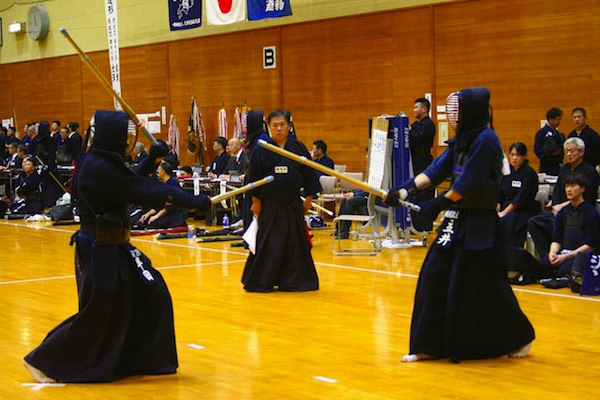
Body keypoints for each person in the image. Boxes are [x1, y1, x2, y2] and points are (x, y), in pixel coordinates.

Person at [22, 110, 212, 383]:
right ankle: (43, 361)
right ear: (112, 136)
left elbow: (129, 179)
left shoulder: (100, 161)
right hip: (100, 249)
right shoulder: (98, 166)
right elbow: (138, 189)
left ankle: (136, 359)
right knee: (99, 313)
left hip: (115, 246)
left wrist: (150, 159)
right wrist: (191, 201)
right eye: (124, 135)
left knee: (151, 293)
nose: (128, 141)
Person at [385, 87, 534, 363]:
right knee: (434, 276)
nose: (454, 116)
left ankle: (520, 335)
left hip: (480, 224)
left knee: (486, 285)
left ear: (472, 112)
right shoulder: (461, 140)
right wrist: (404, 190)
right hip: (457, 220)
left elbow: (467, 184)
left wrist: (434, 205)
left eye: (458, 110)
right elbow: (435, 171)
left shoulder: (486, 141)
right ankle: (431, 345)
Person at [241, 109, 321, 292]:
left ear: (289, 126)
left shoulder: (298, 148)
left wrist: (309, 199)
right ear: (269, 127)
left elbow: (309, 175)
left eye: (282, 125)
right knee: (270, 244)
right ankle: (263, 281)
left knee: (295, 244)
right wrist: (256, 203)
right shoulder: (262, 149)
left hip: (292, 204)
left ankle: (294, 282)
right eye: (275, 125)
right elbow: (254, 178)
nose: (279, 129)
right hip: (269, 204)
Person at [527, 137, 600, 258]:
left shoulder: (590, 171)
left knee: (557, 224)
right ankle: (548, 255)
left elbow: (587, 197)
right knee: (534, 222)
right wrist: (555, 206)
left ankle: (564, 255)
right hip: (559, 210)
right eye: (566, 151)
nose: (569, 154)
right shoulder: (565, 168)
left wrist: (562, 207)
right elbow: (557, 191)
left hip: (578, 212)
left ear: (581, 152)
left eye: (572, 150)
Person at [538, 172, 600, 278]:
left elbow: (591, 245)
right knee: (538, 267)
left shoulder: (591, 213)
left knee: (564, 271)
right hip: (563, 253)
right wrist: (552, 253)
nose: (569, 189)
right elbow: (556, 239)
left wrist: (567, 257)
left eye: (573, 186)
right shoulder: (563, 212)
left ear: (582, 189)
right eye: (567, 186)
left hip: (581, 256)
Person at [497, 142, 540, 247]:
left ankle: (512, 249)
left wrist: (504, 212)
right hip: (507, 205)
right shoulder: (507, 171)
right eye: (512, 155)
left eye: (518, 155)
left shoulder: (529, 173)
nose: (514, 158)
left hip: (524, 209)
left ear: (524, 156)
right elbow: (500, 191)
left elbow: (522, 197)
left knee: (510, 218)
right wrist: (497, 207)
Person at [132, 161, 188, 229]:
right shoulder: (162, 184)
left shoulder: (173, 184)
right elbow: (158, 205)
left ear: (163, 171)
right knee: (143, 220)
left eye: (158, 170)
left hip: (173, 215)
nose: (157, 172)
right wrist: (148, 214)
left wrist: (156, 216)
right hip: (163, 213)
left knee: (153, 223)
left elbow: (169, 206)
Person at [409, 97, 436, 231]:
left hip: (423, 162)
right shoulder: (417, 124)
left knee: (423, 194)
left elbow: (415, 138)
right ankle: (415, 225)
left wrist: (408, 130)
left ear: (424, 109)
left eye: (416, 107)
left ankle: (423, 226)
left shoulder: (428, 124)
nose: (414, 110)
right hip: (415, 162)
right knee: (415, 193)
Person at [533, 107, 564, 175]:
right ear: (551, 119)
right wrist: (548, 153)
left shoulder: (557, 133)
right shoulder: (542, 132)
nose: (559, 122)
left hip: (557, 165)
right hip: (546, 166)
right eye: (558, 119)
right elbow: (537, 149)